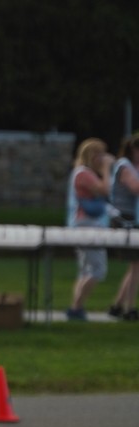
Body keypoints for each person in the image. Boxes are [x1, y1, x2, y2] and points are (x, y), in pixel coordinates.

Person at [65, 137, 114, 320]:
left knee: (85, 270)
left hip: (83, 225)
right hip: (87, 225)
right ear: (93, 155)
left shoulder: (81, 173)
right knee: (97, 270)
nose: (104, 157)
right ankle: (76, 308)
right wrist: (106, 168)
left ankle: (76, 308)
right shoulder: (83, 174)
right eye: (100, 154)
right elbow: (105, 190)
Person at [108, 135, 139, 320]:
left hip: (131, 219)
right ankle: (129, 309)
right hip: (124, 219)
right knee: (136, 265)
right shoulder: (125, 166)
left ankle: (118, 306)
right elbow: (136, 188)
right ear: (134, 150)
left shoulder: (131, 166)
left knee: (135, 265)